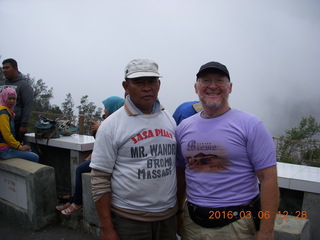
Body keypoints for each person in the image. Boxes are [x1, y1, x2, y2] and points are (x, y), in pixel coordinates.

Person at [176, 61, 279, 240]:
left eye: (220, 81)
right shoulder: (184, 127)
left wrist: (266, 231)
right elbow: (180, 174)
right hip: (192, 224)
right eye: (206, 81)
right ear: (196, 87)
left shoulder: (251, 125)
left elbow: (268, 178)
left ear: (230, 87)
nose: (213, 86)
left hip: (237, 226)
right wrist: (178, 213)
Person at [90, 59, 177, 240]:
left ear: (159, 84)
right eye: (138, 82)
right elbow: (99, 178)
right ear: (126, 86)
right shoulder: (111, 125)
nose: (147, 88)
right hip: (129, 220)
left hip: (168, 216)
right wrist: (107, 228)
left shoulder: (169, 119)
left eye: (152, 81)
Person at [56, 96, 125, 215]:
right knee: (81, 166)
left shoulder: (119, 123)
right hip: (104, 156)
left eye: (106, 107)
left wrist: (102, 128)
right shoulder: (112, 120)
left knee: (80, 169)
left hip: (112, 161)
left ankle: (77, 203)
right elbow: (102, 143)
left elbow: (114, 142)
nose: (104, 110)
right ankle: (73, 199)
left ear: (113, 108)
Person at [0, 88, 39, 162]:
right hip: (3, 150)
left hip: (5, 147)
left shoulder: (7, 111)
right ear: (4, 98)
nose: (12, 101)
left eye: (14, 99)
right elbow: (7, 136)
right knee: (34, 157)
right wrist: (20, 147)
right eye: (9, 98)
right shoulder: (3, 114)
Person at [1, 58, 34, 142]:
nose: (4, 70)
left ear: (15, 68)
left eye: (7, 68)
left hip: (15, 125)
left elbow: (28, 106)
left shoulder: (24, 86)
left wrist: (24, 125)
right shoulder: (2, 84)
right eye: (3, 68)